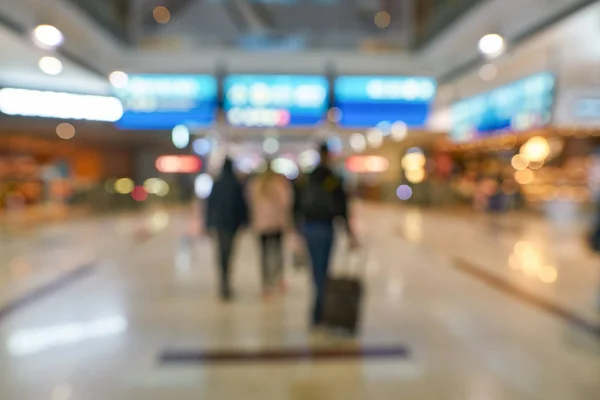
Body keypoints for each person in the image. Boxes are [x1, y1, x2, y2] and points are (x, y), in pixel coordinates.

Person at [294, 143, 357, 328]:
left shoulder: (308, 178)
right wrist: (349, 233)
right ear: (329, 155)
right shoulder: (333, 179)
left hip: (310, 228)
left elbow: (297, 204)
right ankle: (319, 312)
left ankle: (317, 310)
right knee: (323, 270)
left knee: (316, 270)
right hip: (326, 227)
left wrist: (297, 226)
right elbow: (342, 208)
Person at [248, 161, 292, 298]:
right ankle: (278, 278)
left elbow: (251, 204)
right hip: (276, 224)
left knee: (264, 255)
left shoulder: (256, 184)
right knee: (277, 253)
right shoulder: (279, 184)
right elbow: (286, 203)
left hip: (261, 225)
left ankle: (266, 284)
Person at [206, 158, 248, 301]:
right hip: (232, 225)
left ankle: (223, 282)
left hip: (219, 224)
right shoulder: (236, 184)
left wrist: (208, 223)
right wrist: (244, 222)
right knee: (229, 253)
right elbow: (242, 205)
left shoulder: (217, 184)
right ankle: (226, 282)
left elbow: (210, 205)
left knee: (221, 253)